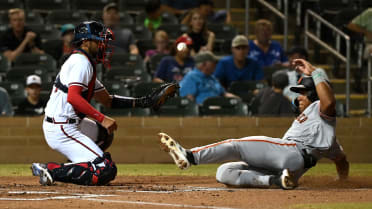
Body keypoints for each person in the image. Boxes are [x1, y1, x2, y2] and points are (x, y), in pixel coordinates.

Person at [159, 59, 349, 190]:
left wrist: (316, 73)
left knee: (236, 145)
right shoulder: (327, 135)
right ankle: (276, 181)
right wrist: (342, 181)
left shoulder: (319, 108)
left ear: (315, 94)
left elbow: (329, 102)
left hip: (290, 152)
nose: (299, 97)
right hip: (288, 167)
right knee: (225, 172)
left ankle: (191, 156)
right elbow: (342, 160)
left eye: (304, 92)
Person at [30, 21, 179, 186]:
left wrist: (144, 102)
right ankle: (50, 170)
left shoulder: (85, 62)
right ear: (86, 41)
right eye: (99, 41)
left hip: (70, 123)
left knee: (104, 134)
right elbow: (73, 98)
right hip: (61, 127)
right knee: (105, 170)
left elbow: (107, 100)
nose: (104, 45)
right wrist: (101, 118)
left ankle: (75, 166)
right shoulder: (80, 62)